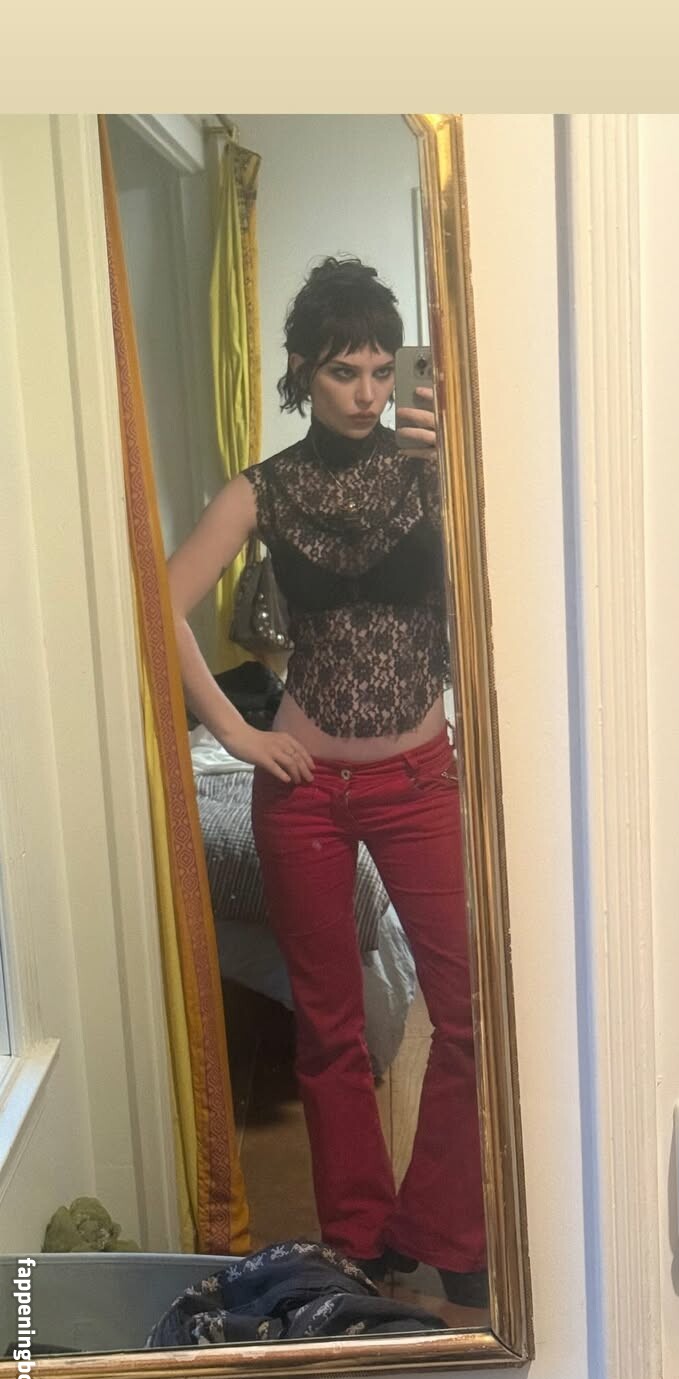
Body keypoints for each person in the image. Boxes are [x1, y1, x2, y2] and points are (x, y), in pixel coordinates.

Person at [168, 256, 486, 1307]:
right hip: (301, 792)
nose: (367, 392)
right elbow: (160, 600)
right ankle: (359, 1233)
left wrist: (460, 463)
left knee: (470, 1009)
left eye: (382, 370)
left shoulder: (434, 468)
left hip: (419, 778)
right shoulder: (259, 487)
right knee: (328, 1027)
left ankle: (445, 1226)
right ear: (303, 369)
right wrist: (235, 732)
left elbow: (503, 568)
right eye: (344, 370)